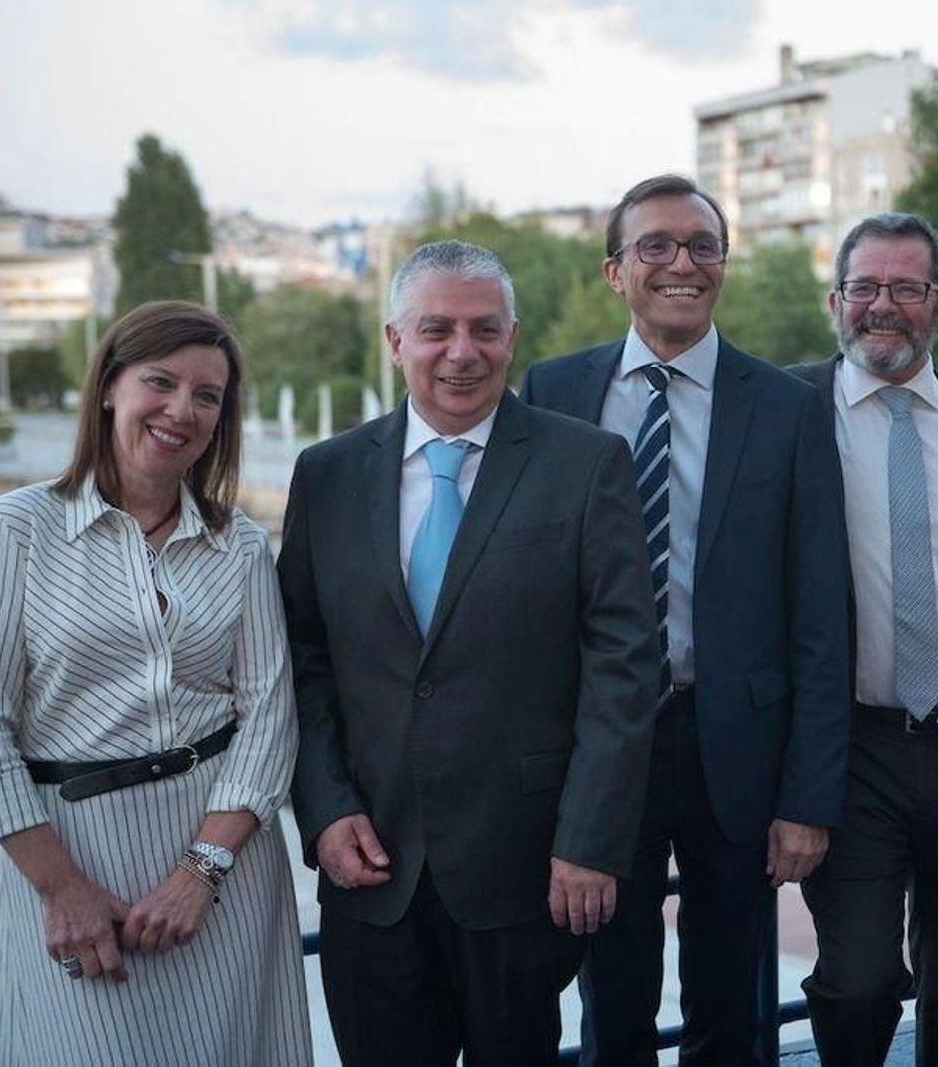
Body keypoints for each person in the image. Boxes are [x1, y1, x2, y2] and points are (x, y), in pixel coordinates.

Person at [280, 240, 659, 1065]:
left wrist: (590, 841)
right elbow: (301, 659)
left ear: (512, 336)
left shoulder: (587, 463)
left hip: (522, 873)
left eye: (484, 329)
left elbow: (624, 668)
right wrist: (323, 806)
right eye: (435, 329)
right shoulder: (327, 475)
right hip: (369, 869)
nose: (462, 352)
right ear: (394, 340)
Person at [521, 174, 851, 1065]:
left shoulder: (787, 407)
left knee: (728, 999)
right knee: (612, 993)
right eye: (656, 246)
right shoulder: (553, 391)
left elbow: (823, 613)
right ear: (614, 270)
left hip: (736, 745)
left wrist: (807, 797)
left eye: (703, 246)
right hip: (601, 744)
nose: (682, 263)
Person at [0, 300, 312, 1064]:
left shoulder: (237, 542)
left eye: (207, 395)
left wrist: (200, 872)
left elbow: (270, 715)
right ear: (110, 385)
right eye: (161, 381)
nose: (182, 409)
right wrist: (61, 890)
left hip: (224, 871)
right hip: (71, 858)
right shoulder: (16, 528)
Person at [789, 212, 938, 1065]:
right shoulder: (782, 412)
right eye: (865, 288)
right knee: (860, 978)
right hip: (849, 748)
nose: (883, 306)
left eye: (906, 288)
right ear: (835, 301)